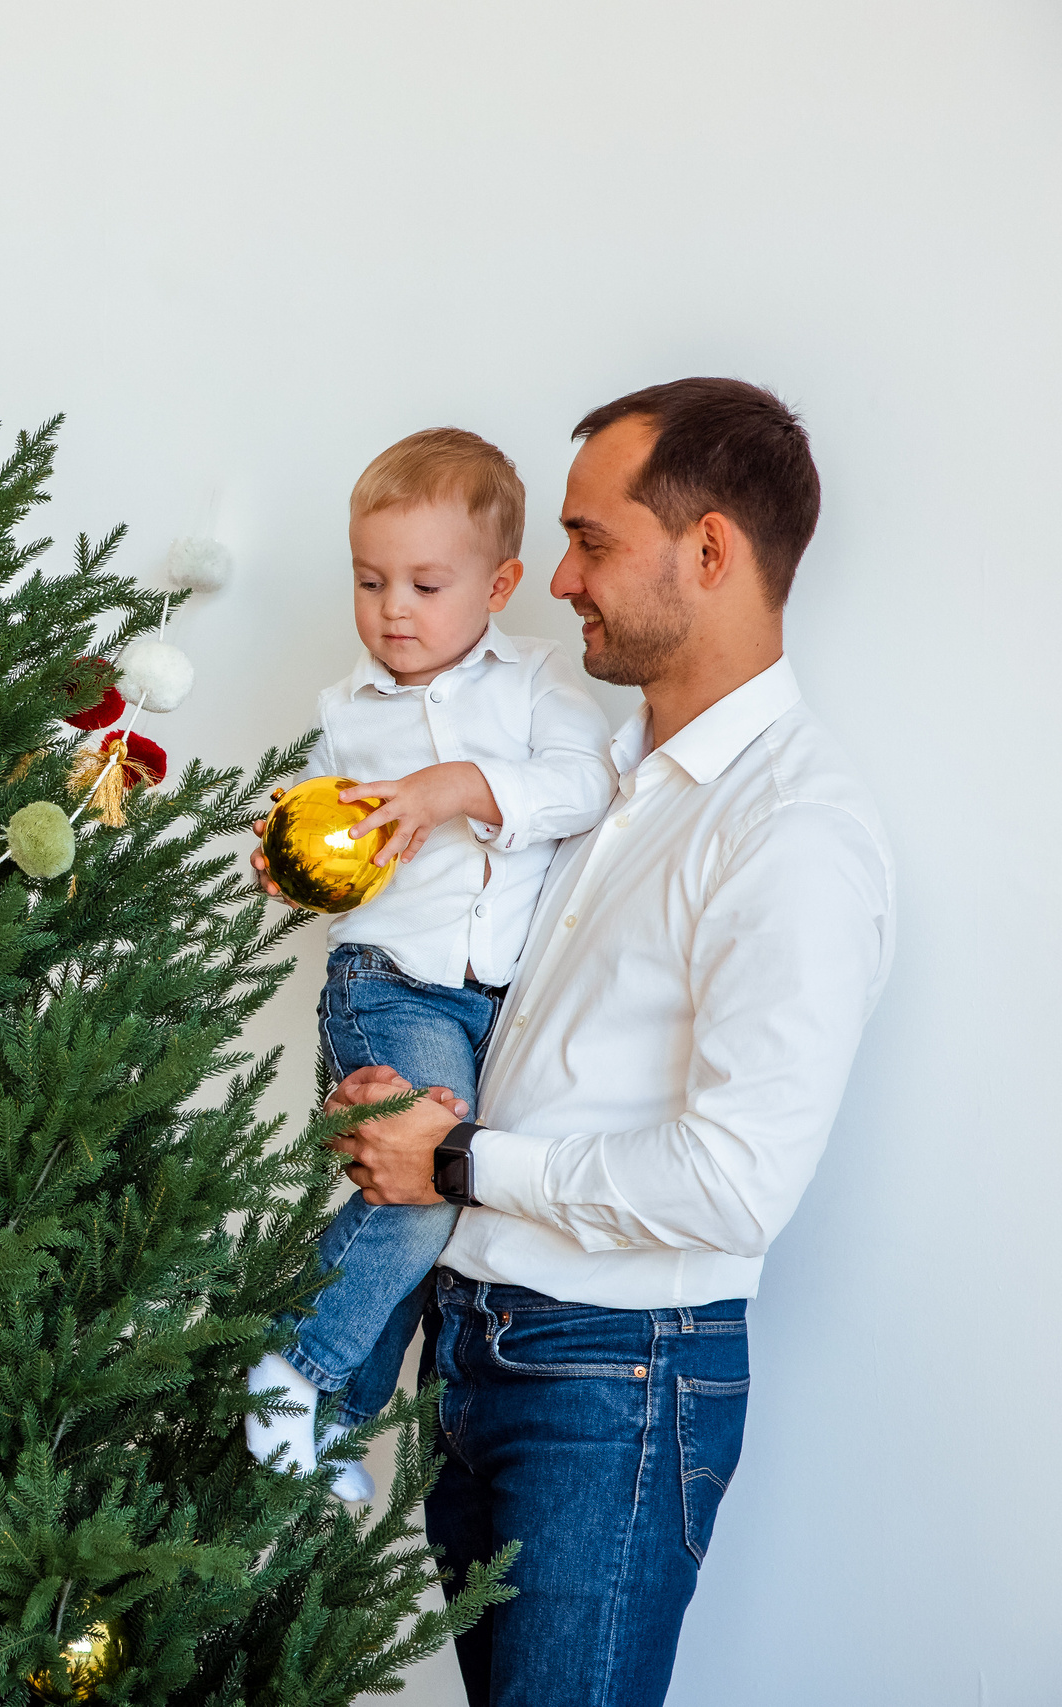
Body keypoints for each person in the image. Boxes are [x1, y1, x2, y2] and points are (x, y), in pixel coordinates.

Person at [322, 379, 894, 1706]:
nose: (562, 580)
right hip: (481, 1344)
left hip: (613, 1380)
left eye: (592, 541)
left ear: (708, 552)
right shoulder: (591, 770)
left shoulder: (792, 831)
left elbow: (736, 1177)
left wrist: (457, 1160)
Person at [243, 429, 613, 1501]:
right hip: (388, 986)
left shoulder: (536, 682)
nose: (392, 610)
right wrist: (282, 857)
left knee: (433, 1205)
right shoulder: (345, 714)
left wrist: (456, 785)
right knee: (426, 1182)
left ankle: (324, 1426)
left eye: (423, 584)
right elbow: (295, 817)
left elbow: (588, 786)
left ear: (498, 585)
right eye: (369, 581)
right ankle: (292, 1370)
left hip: (499, 1006)